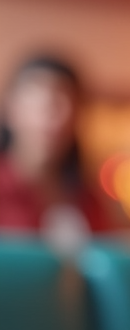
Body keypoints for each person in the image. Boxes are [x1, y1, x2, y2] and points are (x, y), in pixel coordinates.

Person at [0, 55, 108, 249]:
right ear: (11, 109)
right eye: (41, 103)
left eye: (65, 102)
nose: (53, 116)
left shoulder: (87, 198)